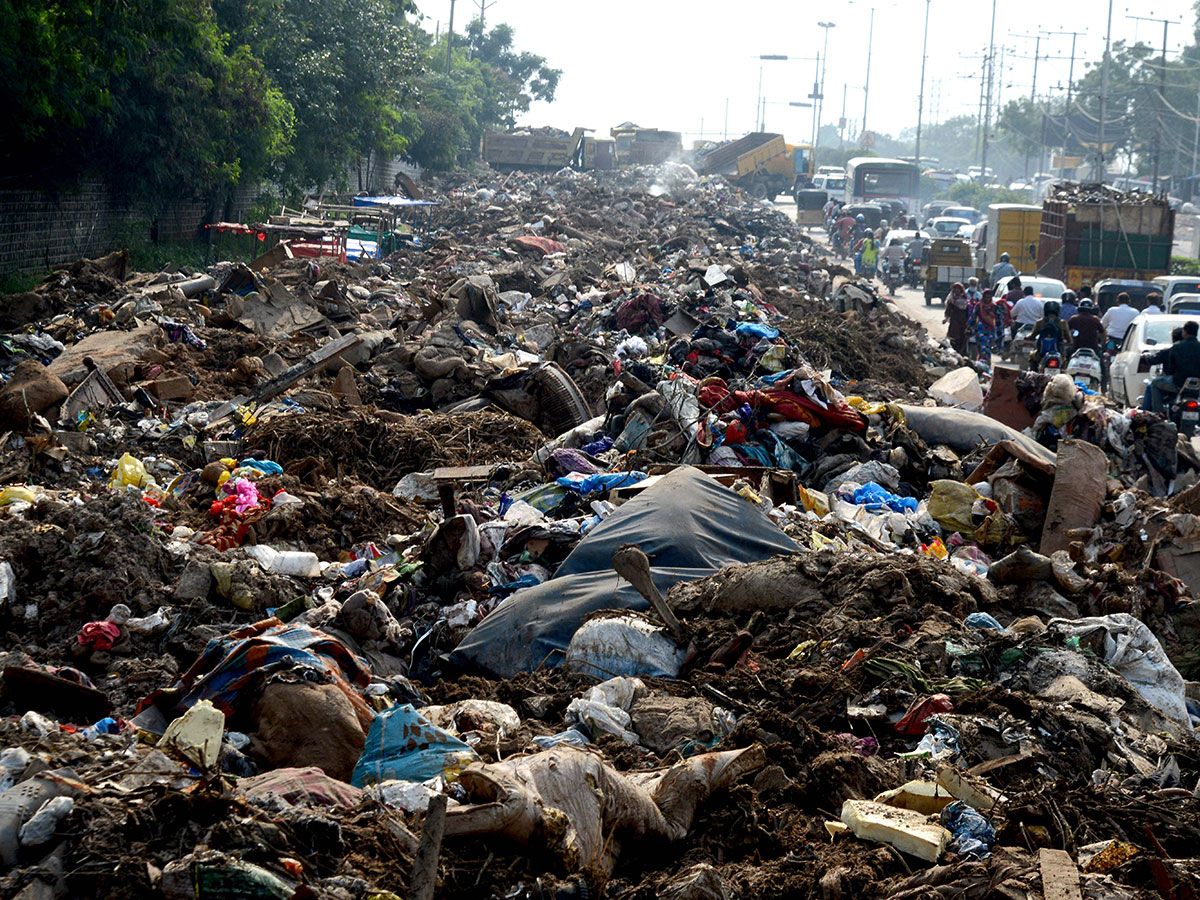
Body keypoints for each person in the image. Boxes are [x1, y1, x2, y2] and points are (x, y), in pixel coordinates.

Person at [1148, 319, 1200, 413]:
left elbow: (1172, 367)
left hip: (1178, 384)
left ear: (1185, 332)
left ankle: (1158, 414)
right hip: (1197, 386)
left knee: (1154, 383)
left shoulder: (1177, 347)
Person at [1140, 327, 1185, 409]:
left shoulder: (1172, 350)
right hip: (1193, 385)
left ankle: (1157, 413)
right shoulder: (1194, 350)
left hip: (1175, 382)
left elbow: (1153, 360)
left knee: (1153, 384)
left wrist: (1146, 356)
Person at [1029, 300, 1071, 370]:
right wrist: (1068, 342)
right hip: (1059, 354)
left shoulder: (1040, 322)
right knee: (1064, 363)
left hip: (1041, 354)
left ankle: (1033, 375)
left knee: (1032, 356)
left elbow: (1032, 336)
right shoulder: (1062, 323)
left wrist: (1028, 337)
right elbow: (1069, 339)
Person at [967, 289, 1005, 364]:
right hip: (980, 329)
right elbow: (973, 317)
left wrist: (999, 331)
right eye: (986, 297)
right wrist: (968, 326)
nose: (987, 299)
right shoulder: (978, 306)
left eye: (989, 297)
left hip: (990, 331)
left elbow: (999, 320)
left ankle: (986, 363)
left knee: (987, 347)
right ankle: (982, 362)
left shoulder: (994, 307)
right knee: (982, 347)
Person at [943, 282, 970, 356]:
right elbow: (948, 310)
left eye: (958, 288)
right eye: (955, 288)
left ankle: (962, 354)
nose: (957, 290)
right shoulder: (951, 299)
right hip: (954, 322)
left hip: (963, 321)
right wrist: (946, 318)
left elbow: (967, 310)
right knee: (953, 337)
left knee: (962, 338)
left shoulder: (964, 297)